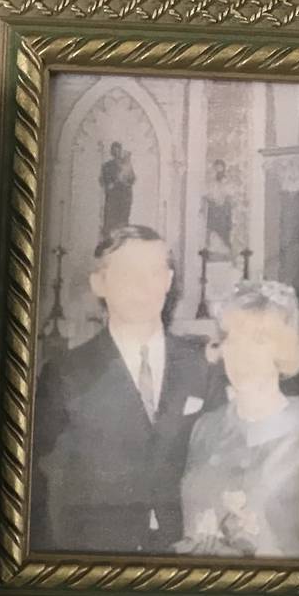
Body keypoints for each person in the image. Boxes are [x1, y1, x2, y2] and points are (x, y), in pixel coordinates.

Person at [30, 225, 215, 554]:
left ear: (169, 281)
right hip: (97, 556)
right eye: (128, 272)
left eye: (155, 272)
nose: (143, 287)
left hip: (186, 555)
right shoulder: (67, 374)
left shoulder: (201, 367)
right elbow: (39, 483)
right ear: (99, 283)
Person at [177, 281, 299, 559]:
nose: (242, 354)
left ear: (283, 349)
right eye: (233, 339)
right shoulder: (205, 429)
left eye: (259, 340)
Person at [99, 141, 135, 233]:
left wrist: (127, 172)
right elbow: (104, 182)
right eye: (114, 150)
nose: (117, 153)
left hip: (123, 199)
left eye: (118, 150)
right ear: (112, 152)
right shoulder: (107, 166)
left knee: (122, 224)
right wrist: (112, 184)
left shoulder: (126, 165)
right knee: (110, 224)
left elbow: (132, 179)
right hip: (112, 200)